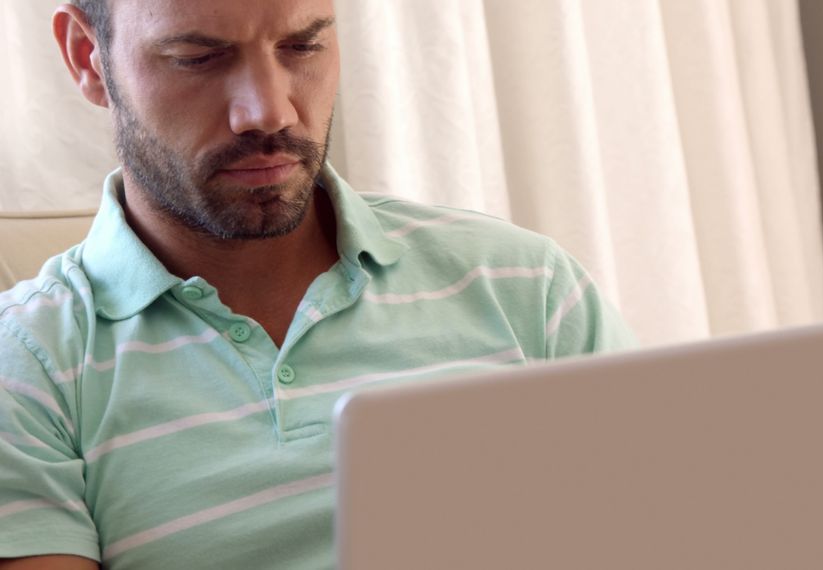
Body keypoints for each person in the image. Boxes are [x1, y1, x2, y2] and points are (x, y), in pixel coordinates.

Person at [0, 1, 636, 568]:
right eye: (198, 58)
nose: (269, 110)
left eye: (303, 46)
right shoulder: (28, 367)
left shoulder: (524, 286)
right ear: (88, 57)